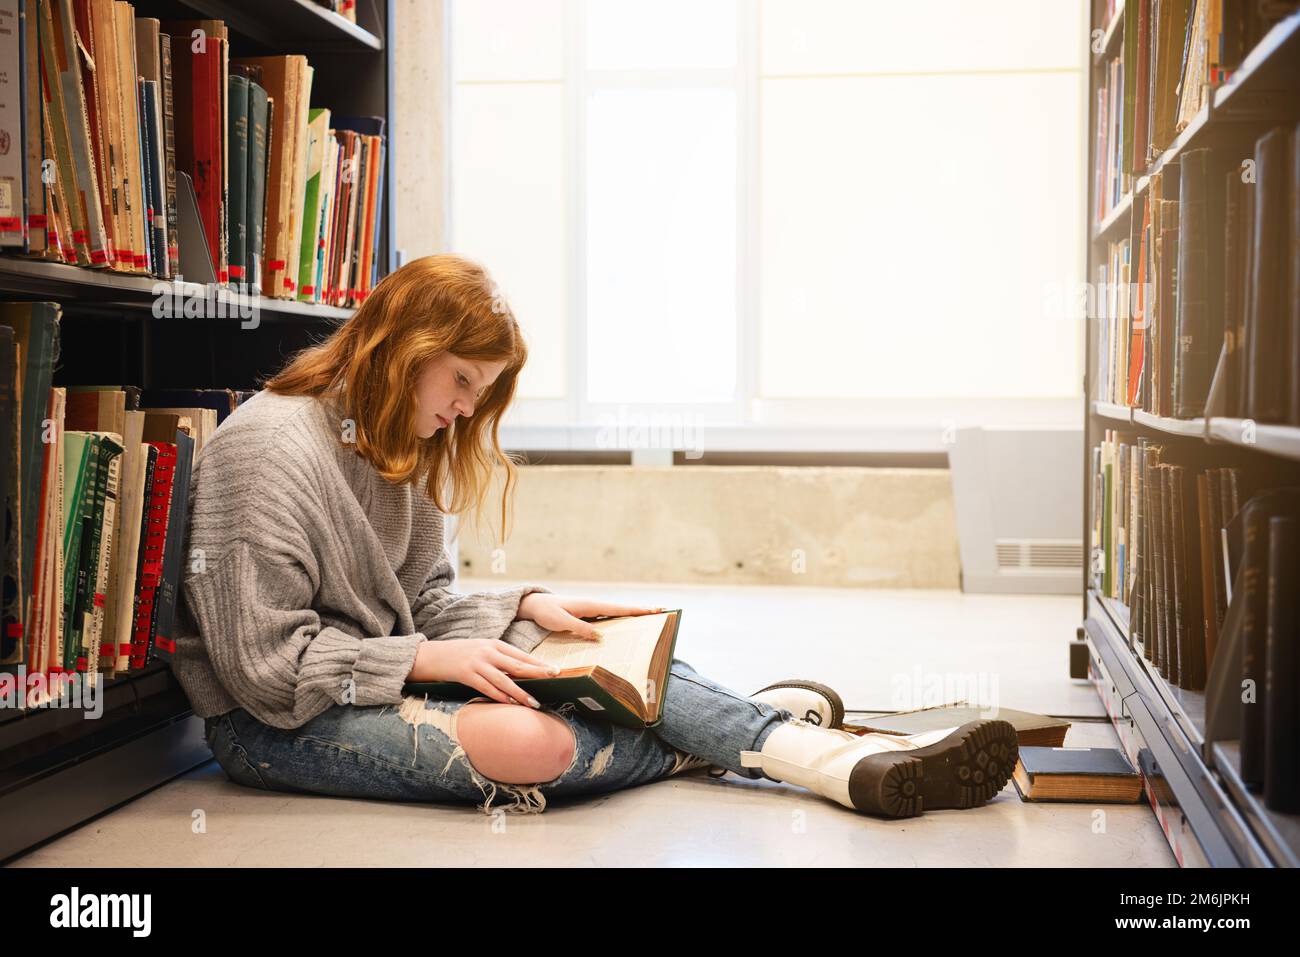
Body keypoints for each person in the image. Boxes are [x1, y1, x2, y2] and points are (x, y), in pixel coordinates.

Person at [171, 254, 1018, 820]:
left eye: (483, 389)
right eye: (461, 380)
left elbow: (423, 602)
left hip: (380, 677)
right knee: (528, 741)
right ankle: (718, 738)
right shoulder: (268, 447)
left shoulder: (406, 443)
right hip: (273, 725)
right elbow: (262, 668)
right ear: (400, 347)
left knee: (597, 644)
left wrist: (525, 608)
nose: (467, 408)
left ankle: (827, 762)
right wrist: (425, 660)